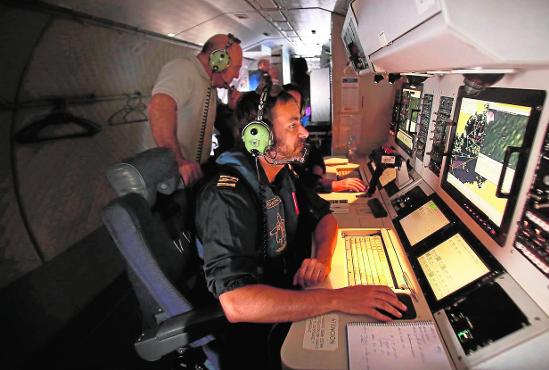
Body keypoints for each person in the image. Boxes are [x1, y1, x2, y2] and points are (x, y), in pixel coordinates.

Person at [196, 90, 406, 369]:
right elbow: (237, 303)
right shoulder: (227, 197)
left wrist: (321, 258)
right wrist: (337, 299)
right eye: (293, 125)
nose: (304, 133)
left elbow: (324, 217)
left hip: (290, 288)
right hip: (257, 331)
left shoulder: (282, 174)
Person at [148, 33, 243, 186]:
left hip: (191, 174)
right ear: (219, 60)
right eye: (236, 68)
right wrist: (177, 160)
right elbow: (159, 106)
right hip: (172, 176)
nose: (237, 75)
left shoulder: (208, 82)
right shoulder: (183, 69)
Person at [283, 83, 367, 193]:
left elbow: (314, 154)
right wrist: (330, 184)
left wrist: (316, 174)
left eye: (296, 104)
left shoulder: (298, 131)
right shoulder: (278, 140)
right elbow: (294, 178)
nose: (305, 134)